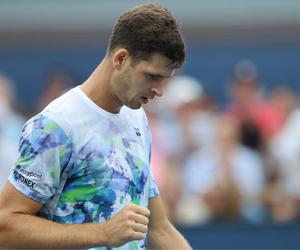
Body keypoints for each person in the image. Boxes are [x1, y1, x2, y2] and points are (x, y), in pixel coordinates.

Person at [0, 4, 191, 249]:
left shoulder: (137, 119)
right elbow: (5, 226)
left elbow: (159, 228)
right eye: (152, 76)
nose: (160, 91)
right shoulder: (55, 127)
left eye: (165, 79)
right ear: (121, 58)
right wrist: (101, 233)